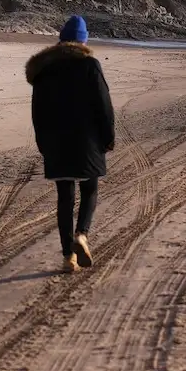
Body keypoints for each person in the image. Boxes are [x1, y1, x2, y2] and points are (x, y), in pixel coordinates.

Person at [25, 14, 115, 273]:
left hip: (55, 142)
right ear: (83, 41)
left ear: (62, 41)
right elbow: (104, 106)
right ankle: (82, 235)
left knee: (64, 198)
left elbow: (37, 112)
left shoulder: (43, 71)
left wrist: (43, 144)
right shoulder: (90, 66)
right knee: (90, 191)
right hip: (87, 142)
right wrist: (108, 137)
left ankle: (68, 257)